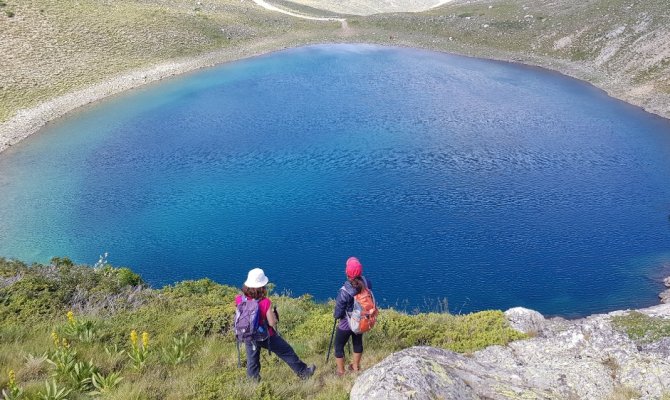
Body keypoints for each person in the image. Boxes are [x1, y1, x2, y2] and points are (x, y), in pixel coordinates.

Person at [236, 268, 316, 381]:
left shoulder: (239, 299)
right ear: (261, 286)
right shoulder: (265, 302)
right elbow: (272, 323)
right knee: (287, 351)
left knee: (252, 360)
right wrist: (274, 316)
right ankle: (304, 372)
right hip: (265, 336)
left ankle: (253, 383)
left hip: (248, 335)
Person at [333, 256, 372, 376]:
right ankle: (355, 367)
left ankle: (341, 372)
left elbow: (339, 312)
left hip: (346, 323)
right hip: (361, 320)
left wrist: (336, 316)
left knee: (338, 346)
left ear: (347, 272)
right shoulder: (366, 282)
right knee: (357, 343)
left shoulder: (344, 291)